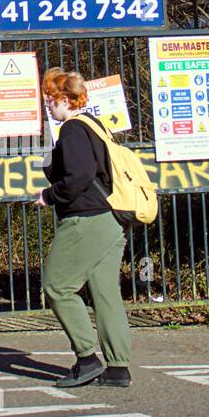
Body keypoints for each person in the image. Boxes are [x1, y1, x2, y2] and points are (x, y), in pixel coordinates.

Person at [36, 68, 132, 388]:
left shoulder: (73, 129)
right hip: (110, 220)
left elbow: (78, 177)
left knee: (57, 286)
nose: (48, 106)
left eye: (50, 100)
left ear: (65, 99)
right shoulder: (96, 125)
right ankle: (118, 368)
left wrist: (49, 196)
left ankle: (87, 358)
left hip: (85, 220)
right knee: (105, 294)